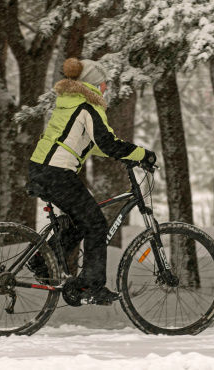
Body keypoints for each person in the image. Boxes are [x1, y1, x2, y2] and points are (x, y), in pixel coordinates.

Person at [25, 57, 156, 306]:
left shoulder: (70, 103)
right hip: (58, 173)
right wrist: (142, 154)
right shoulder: (88, 106)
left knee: (82, 221)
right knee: (96, 223)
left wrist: (123, 155)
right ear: (95, 83)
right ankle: (91, 286)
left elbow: (89, 143)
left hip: (42, 169)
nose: (106, 87)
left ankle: (42, 260)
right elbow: (106, 142)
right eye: (104, 82)